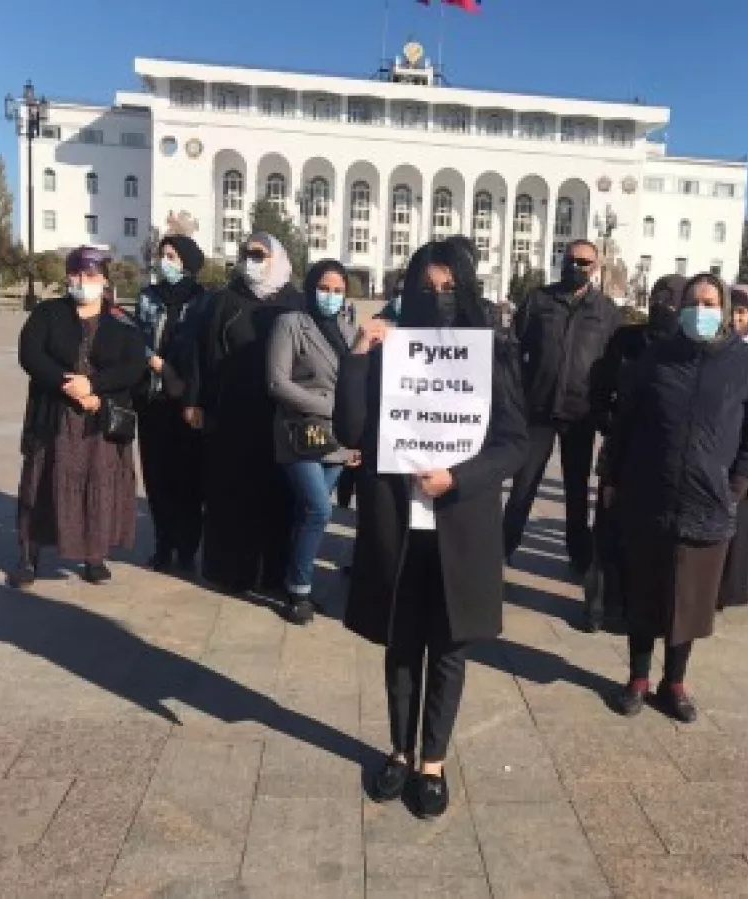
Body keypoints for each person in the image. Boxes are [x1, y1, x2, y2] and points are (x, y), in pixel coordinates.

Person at [334, 239, 527, 819]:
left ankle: (433, 761)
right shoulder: (387, 348)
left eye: (449, 289)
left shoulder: (492, 351)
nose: (438, 299)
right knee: (400, 643)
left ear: (466, 290)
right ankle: (398, 748)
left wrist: (461, 478)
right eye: (426, 288)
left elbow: (514, 443)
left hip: (459, 524)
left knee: (447, 647)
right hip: (397, 521)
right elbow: (349, 428)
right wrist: (361, 354)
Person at [606, 273, 748, 721]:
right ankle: (638, 677)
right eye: (692, 302)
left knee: (691, 598)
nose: (699, 311)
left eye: (708, 302)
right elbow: (625, 419)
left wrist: (738, 484)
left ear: (722, 310)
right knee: (645, 592)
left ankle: (675, 681)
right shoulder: (655, 359)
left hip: (709, 502)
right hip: (649, 494)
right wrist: (611, 476)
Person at [10, 246, 146, 588]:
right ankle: (29, 556)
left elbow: (133, 366)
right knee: (40, 484)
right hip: (54, 416)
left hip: (100, 419)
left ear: (104, 279)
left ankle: (94, 556)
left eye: (90, 275)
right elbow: (30, 353)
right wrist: (65, 384)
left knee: (97, 486)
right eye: (77, 274)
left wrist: (95, 388)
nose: (83, 282)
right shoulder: (48, 313)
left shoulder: (121, 320)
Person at [183, 233, 303, 595]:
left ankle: (274, 575)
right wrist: (194, 400)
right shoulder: (224, 300)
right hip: (230, 413)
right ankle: (228, 571)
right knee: (229, 493)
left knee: (278, 496)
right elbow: (200, 354)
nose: (250, 260)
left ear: (276, 258)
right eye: (246, 253)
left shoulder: (295, 302)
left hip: (280, 415)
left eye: (259, 254)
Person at [504, 239, 621, 572]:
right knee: (523, 485)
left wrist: (604, 406)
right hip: (537, 409)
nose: (576, 267)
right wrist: (516, 395)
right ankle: (503, 545)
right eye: (570, 260)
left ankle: (578, 557)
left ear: (595, 268)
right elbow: (513, 348)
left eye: (584, 262)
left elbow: (612, 365)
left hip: (580, 414)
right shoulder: (539, 300)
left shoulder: (606, 312)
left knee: (576, 490)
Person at [585, 273, 686, 632]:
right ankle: (599, 606)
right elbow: (600, 384)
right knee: (607, 531)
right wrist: (607, 420)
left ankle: (637, 609)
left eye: (672, 299)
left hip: (663, 459)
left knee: (647, 539)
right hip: (620, 450)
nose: (663, 305)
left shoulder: (688, 348)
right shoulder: (627, 339)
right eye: (658, 297)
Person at [267, 259, 357, 624]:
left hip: (336, 440)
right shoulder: (291, 323)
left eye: (338, 291)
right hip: (299, 432)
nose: (330, 297)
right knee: (318, 509)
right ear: (311, 288)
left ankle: (289, 577)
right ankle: (299, 588)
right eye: (324, 288)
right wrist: (327, 406)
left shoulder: (350, 332)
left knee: (310, 513)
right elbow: (277, 382)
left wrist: (356, 438)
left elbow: (359, 386)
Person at [133, 234, 207, 574]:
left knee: (189, 479)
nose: (166, 261)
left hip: (188, 403)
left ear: (188, 263)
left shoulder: (204, 301)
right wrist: (159, 366)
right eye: (163, 254)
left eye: (173, 256)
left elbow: (205, 351)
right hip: (153, 398)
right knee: (158, 477)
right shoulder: (148, 297)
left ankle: (188, 547)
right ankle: (163, 545)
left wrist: (187, 385)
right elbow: (137, 339)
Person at [718, 283, 748, 610]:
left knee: (737, 528)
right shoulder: (713, 351)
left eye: (742, 312)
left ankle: (726, 590)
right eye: (730, 310)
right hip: (713, 455)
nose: (735, 319)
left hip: (742, 459)